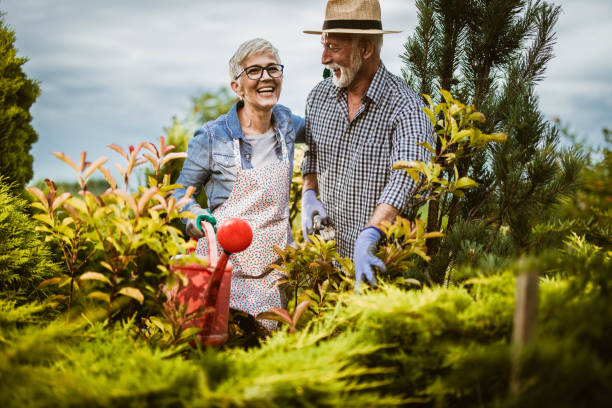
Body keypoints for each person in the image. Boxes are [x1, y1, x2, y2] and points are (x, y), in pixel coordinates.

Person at [300, 0, 434, 290]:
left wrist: (371, 233)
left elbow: (408, 174)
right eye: (323, 45)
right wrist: (308, 194)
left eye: (333, 47)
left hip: (378, 266)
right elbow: (311, 153)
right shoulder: (318, 98)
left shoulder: (406, 107)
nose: (324, 58)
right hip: (325, 265)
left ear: (366, 49)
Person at [173, 38, 304, 330]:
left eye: (273, 69)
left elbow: (328, 124)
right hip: (224, 269)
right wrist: (199, 221)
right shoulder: (211, 136)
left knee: (266, 359)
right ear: (236, 86)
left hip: (273, 273)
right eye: (254, 71)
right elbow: (180, 194)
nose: (266, 77)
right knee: (225, 350)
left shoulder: (286, 123)